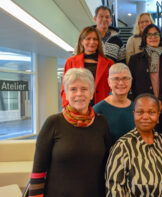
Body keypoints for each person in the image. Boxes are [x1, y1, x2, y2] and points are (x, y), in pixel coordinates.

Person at [29, 68, 111, 197]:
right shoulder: (53, 123)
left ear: (91, 94)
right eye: (73, 89)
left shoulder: (102, 123)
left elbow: (108, 163)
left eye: (84, 89)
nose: (79, 94)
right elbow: (38, 171)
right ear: (66, 94)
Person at [105, 93, 162, 196]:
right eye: (140, 112)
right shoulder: (122, 146)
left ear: (158, 115)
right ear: (134, 114)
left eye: (151, 112)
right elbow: (114, 188)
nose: (145, 117)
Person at [128, 24, 162, 137]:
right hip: (142, 110)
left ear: (160, 37)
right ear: (144, 38)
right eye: (149, 34)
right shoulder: (135, 60)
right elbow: (132, 85)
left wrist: (161, 101)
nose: (153, 37)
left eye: (156, 34)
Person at [61, 26, 114, 107]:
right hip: (77, 107)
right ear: (82, 41)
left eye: (95, 39)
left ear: (99, 42)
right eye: (88, 39)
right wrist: (67, 107)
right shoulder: (70, 62)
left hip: (102, 107)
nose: (92, 42)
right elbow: (64, 88)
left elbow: (112, 88)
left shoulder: (109, 63)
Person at [93, 63, 135, 144]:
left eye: (125, 78)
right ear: (109, 82)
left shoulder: (136, 108)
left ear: (131, 81)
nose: (121, 83)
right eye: (116, 79)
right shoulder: (97, 110)